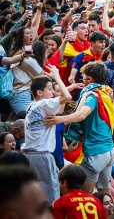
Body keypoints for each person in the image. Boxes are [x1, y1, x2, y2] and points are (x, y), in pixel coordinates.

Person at [46, 61, 114, 195]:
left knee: (84, 195)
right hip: (109, 150)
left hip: (96, 152)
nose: (82, 80)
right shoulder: (107, 92)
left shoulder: (93, 95)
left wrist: (59, 119)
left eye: (83, 77)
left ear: (89, 79)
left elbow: (83, 114)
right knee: (105, 193)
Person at [22, 65, 72, 206]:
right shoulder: (44, 104)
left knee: (35, 199)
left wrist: (71, 86)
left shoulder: (32, 105)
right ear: (39, 92)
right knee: (50, 200)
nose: (53, 92)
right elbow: (67, 97)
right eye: (50, 89)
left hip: (31, 155)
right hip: (42, 156)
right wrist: (56, 75)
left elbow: (62, 97)